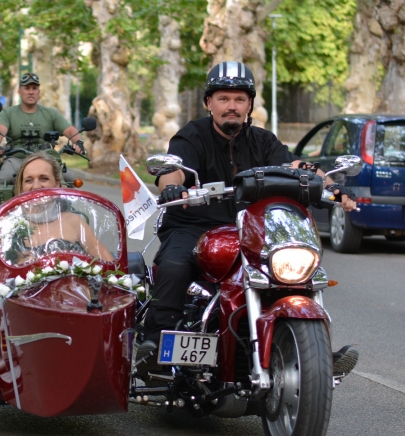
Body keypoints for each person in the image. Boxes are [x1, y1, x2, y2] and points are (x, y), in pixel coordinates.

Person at [136, 61, 357, 377]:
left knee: (295, 272)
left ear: (249, 104)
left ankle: (315, 351)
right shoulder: (191, 136)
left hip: (252, 230)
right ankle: (155, 343)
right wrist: (171, 187)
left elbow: (297, 166)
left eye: (239, 99)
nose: (232, 106)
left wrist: (333, 186)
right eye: (224, 98)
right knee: (174, 265)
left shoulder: (263, 141)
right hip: (196, 227)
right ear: (209, 103)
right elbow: (175, 169)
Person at [4, 151, 113, 264]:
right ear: (21, 187)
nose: (36, 186)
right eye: (28, 180)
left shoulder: (74, 221)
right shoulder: (10, 226)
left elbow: (110, 265)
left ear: (57, 184)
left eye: (44, 178)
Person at [0, 73, 83, 182]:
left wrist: (78, 142)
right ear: (19, 92)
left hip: (46, 158)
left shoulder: (50, 113)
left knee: (70, 180)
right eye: (27, 88)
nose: (31, 92)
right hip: (16, 159)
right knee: (5, 178)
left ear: (39, 92)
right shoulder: (8, 113)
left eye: (34, 88)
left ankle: (60, 199)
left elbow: (71, 130)